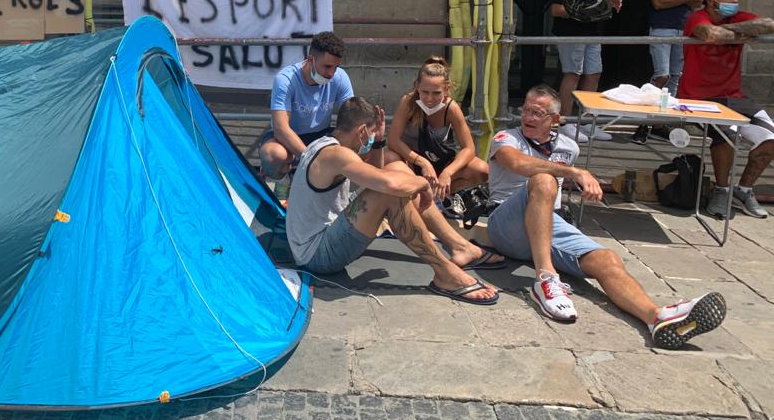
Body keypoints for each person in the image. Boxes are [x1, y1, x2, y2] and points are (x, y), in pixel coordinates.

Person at [485, 84, 727, 349]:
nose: (528, 117)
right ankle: (546, 279)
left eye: (537, 112)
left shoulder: (568, 147)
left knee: (607, 259)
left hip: (547, 222)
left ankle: (656, 318)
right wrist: (574, 173)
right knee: (543, 179)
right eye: (526, 110)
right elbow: (517, 164)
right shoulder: (506, 138)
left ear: (555, 120)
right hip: (505, 223)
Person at [286, 97, 501, 303]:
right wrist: (423, 184)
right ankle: (445, 273)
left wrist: (378, 141)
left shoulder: (327, 145)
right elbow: (388, 186)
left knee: (397, 168)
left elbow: (377, 174)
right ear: (361, 131)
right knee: (391, 192)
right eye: (370, 134)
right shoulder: (337, 155)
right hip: (317, 255)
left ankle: (460, 246)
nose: (369, 140)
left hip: (324, 236)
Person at [680, 0, 774, 219]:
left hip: (734, 96)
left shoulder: (736, 17)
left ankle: (743, 190)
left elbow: (768, 24)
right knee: (727, 136)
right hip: (700, 98)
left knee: (771, 138)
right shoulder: (696, 18)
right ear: (712, 2)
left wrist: (728, 32)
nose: (735, 1)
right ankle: (721, 190)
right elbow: (709, 34)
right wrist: (742, 34)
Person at [632, 0, 702, 144]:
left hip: (684, 26)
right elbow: (658, 1)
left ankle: (660, 122)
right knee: (661, 74)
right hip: (662, 25)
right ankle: (643, 122)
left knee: (675, 78)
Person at [386, 56, 489, 208]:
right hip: (411, 162)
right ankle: (410, 197)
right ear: (417, 87)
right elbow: (393, 140)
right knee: (389, 157)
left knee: (481, 170)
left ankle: (441, 196)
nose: (429, 98)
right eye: (425, 92)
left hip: (439, 162)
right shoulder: (408, 102)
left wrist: (447, 173)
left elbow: (469, 148)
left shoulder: (451, 108)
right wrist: (422, 162)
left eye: (436, 93)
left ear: (446, 89)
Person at [549, 0, 622, 143]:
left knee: (594, 73)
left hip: (593, 31)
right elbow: (556, 9)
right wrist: (580, 12)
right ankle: (564, 122)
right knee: (572, 73)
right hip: (571, 31)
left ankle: (587, 121)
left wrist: (608, 2)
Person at [260, 31, 353, 181]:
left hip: (321, 136)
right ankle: (278, 186)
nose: (332, 73)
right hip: (287, 136)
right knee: (275, 155)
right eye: (327, 66)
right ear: (310, 59)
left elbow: (352, 120)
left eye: (336, 67)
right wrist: (312, 158)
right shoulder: (285, 79)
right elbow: (280, 129)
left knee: (353, 145)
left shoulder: (340, 77)